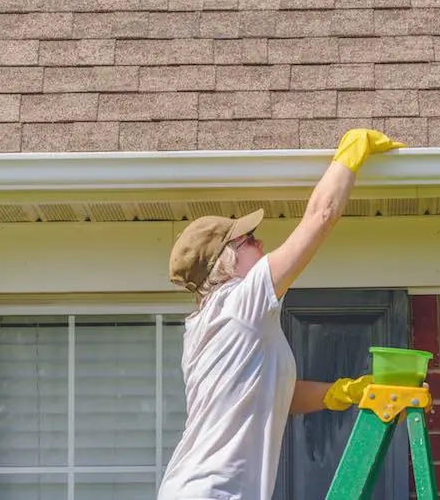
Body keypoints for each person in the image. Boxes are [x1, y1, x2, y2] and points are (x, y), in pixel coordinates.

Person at [157, 128, 405, 500]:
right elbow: (321, 217)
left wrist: (343, 392)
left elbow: (271, 396)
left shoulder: (214, 322)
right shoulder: (241, 300)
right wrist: (351, 152)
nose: (259, 242)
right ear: (225, 263)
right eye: (246, 241)